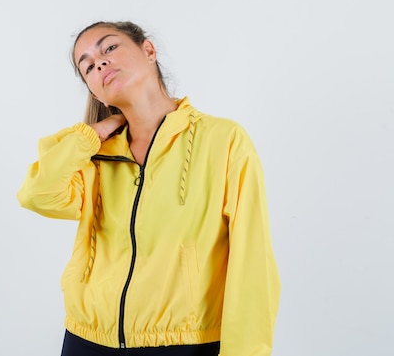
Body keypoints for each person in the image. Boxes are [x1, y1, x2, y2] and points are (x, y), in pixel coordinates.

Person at [17, 21, 281, 356]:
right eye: (87, 66)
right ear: (94, 91)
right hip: (87, 341)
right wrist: (90, 135)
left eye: (109, 48)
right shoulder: (96, 155)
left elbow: (252, 262)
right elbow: (37, 194)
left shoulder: (223, 140)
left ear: (149, 50)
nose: (98, 62)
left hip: (183, 344)